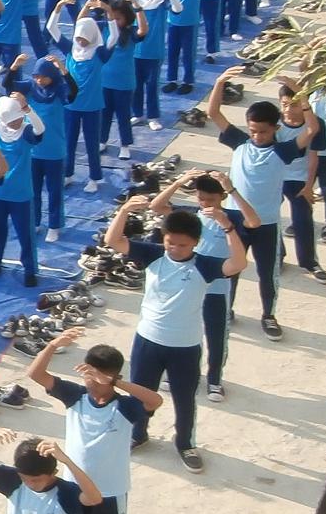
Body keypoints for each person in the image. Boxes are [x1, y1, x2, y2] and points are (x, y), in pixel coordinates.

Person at [104, 190, 246, 473]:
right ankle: (138, 433)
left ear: (196, 243)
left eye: (182, 245)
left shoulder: (204, 265)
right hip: (148, 340)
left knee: (184, 399)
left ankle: (185, 443)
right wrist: (125, 211)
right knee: (141, 393)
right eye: (170, 243)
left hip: (185, 346)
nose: (175, 249)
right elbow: (113, 240)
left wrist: (227, 226)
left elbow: (238, 264)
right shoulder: (153, 255)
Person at [30, 326, 156, 514]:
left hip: (111, 491)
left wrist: (116, 383)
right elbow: (36, 374)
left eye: (96, 376)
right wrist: (53, 345)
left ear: (111, 376)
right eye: (88, 374)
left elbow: (155, 401)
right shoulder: (75, 396)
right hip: (75, 488)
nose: (89, 380)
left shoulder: (125, 407)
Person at [206, 69, 297, 338]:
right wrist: (220, 81)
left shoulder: (282, 151)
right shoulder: (240, 142)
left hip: (267, 223)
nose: (257, 136)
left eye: (263, 132)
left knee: (268, 273)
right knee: (231, 269)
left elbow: (313, 129)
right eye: (253, 130)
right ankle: (227, 310)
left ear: (276, 129)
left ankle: (269, 315)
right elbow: (214, 113)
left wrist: (298, 92)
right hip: (235, 220)